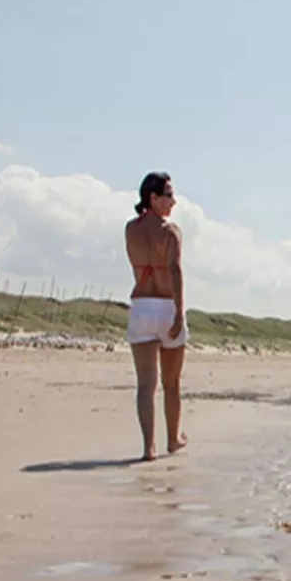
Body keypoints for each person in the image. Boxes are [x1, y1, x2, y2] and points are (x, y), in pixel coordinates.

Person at [124, 172, 188, 461]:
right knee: (171, 383)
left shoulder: (131, 230)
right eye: (169, 195)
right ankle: (172, 439)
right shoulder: (171, 231)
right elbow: (175, 270)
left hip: (141, 306)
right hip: (165, 304)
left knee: (145, 385)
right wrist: (179, 313)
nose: (173, 201)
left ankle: (148, 447)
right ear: (153, 197)